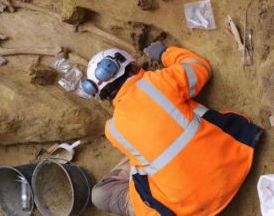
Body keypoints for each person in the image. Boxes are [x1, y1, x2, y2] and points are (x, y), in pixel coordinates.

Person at [81, 43, 262, 216]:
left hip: (191, 208)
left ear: (104, 97)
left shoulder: (113, 130)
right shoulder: (158, 81)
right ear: (130, 67)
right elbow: (200, 67)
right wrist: (164, 53)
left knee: (101, 193)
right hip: (236, 159)